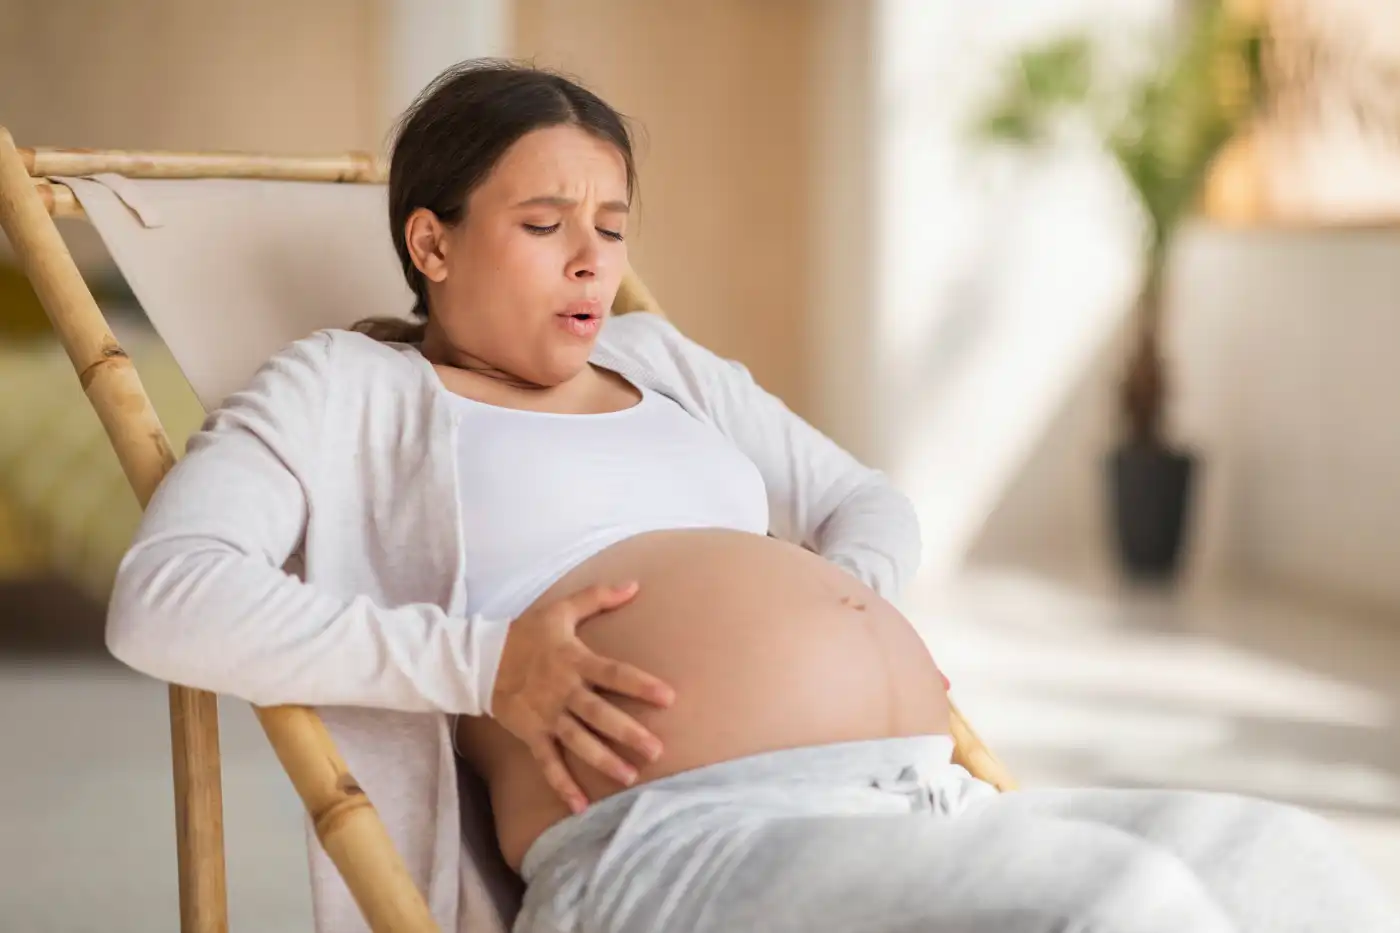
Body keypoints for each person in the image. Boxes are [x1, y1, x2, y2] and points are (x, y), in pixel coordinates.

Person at [106, 59, 1400, 933]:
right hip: (669, 849)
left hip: (909, 793)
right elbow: (164, 600)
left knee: (1301, 872)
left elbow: (863, 503)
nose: (593, 260)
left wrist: (854, 608)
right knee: (1117, 906)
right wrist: (486, 664)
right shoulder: (349, 387)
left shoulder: (658, 363)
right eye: (546, 221)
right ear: (430, 241)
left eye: (612, 225)